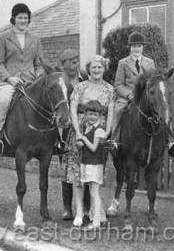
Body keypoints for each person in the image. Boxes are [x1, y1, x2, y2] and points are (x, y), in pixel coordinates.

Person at [60, 54, 115, 227]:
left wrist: (106, 132)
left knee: (95, 173)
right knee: (78, 174)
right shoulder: (80, 87)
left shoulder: (109, 89)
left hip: (99, 133)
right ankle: (78, 212)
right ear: (89, 69)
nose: (97, 70)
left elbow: (111, 113)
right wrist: (77, 132)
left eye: (100, 67)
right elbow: (73, 110)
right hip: (81, 130)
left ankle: (95, 211)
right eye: (93, 67)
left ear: (104, 69)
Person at [110, 31, 174, 156]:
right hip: (128, 96)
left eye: (139, 46)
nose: (136, 49)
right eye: (134, 46)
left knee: (161, 109)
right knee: (119, 109)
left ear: (143, 47)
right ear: (130, 48)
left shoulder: (149, 62)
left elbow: (153, 81)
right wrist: (130, 95)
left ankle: (170, 141)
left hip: (145, 96)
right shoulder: (123, 63)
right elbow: (118, 84)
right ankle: (115, 141)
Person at [0, 3, 44, 155]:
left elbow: (39, 64)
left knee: (49, 100)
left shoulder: (35, 39)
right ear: (13, 19)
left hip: (30, 81)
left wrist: (38, 78)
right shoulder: (3, 38)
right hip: (9, 82)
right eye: (20, 18)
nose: (23, 21)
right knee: (4, 101)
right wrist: (9, 78)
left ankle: (56, 140)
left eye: (25, 18)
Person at [57, 49, 90, 221]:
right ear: (62, 65)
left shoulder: (84, 76)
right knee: (67, 166)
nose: (73, 64)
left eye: (75, 60)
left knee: (85, 166)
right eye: (68, 61)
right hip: (65, 126)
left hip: (84, 124)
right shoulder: (59, 79)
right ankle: (67, 208)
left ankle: (86, 208)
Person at [73, 100, 106, 230]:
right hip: (86, 163)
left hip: (95, 164)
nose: (92, 117)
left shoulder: (99, 130)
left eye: (95, 115)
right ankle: (95, 220)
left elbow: (93, 147)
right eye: (90, 114)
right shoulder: (88, 128)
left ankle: (97, 221)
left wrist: (83, 138)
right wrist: (80, 142)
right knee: (91, 191)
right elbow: (85, 146)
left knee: (94, 192)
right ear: (85, 114)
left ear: (99, 116)